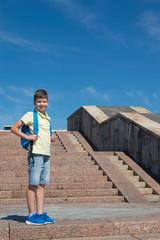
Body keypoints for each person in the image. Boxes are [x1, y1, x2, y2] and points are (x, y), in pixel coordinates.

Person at [11, 89, 56, 225]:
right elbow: (14, 128)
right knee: (33, 184)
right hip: (35, 154)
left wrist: (50, 137)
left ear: (47, 102)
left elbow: (44, 134)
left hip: (46, 154)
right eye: (39, 101)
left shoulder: (47, 117)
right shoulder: (31, 115)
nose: (42, 104)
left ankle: (40, 213)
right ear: (34, 103)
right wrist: (28, 137)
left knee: (42, 184)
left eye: (44, 101)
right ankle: (31, 215)